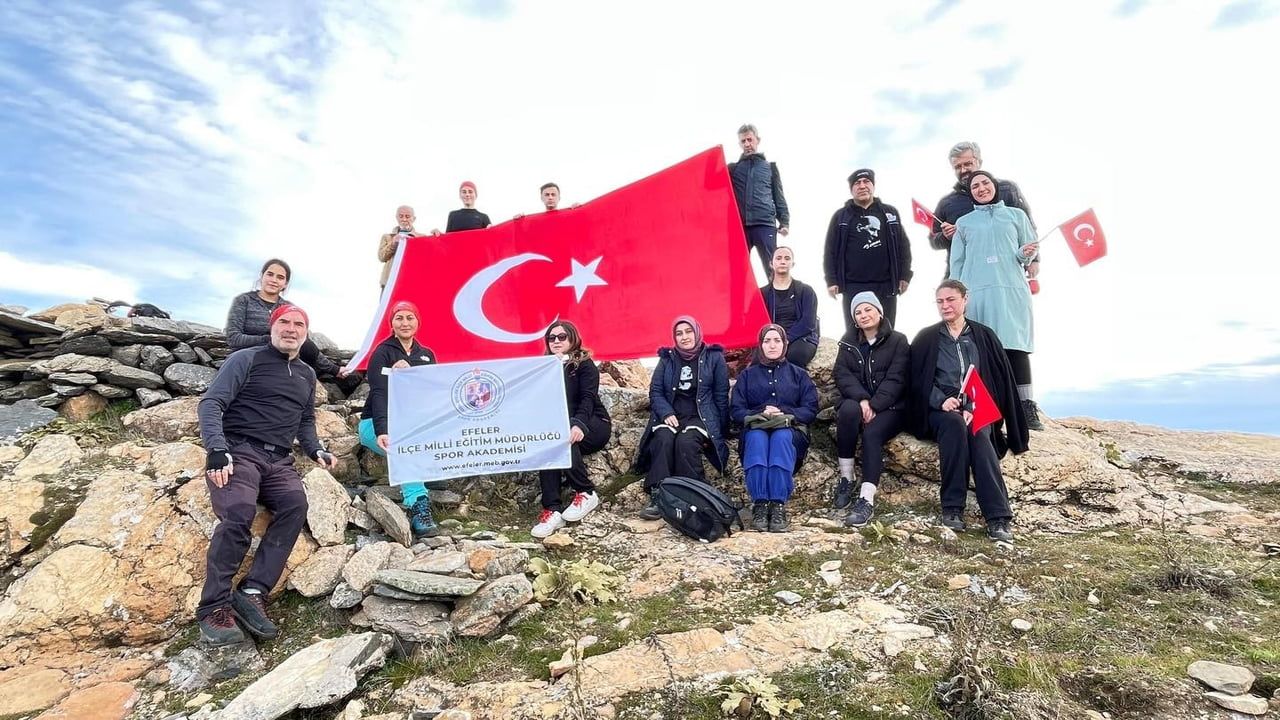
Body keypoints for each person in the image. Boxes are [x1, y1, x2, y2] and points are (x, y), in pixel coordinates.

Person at [195, 304, 338, 645]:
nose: (291, 329)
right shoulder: (246, 359)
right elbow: (211, 403)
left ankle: (253, 589)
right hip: (239, 450)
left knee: (294, 505)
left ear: (306, 333)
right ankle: (213, 608)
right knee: (238, 512)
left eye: (299, 324)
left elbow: (305, 420)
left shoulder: (306, 373)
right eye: (284, 322)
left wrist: (315, 448)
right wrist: (217, 450)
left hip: (279, 460)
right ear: (272, 327)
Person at [906, 280, 1029, 542]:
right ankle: (952, 508)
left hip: (977, 405)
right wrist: (940, 399)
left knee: (979, 436)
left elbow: (998, 379)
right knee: (954, 425)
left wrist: (973, 406)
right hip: (940, 409)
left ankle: (998, 517)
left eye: (950, 300)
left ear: (965, 299)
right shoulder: (927, 337)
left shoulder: (984, 336)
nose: (945, 306)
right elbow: (915, 379)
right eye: (940, 301)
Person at [950, 170, 1043, 430]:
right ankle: (981, 407)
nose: (981, 188)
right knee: (981, 350)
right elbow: (956, 262)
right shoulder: (964, 223)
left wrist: (1026, 254)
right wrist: (955, 294)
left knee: (1016, 347)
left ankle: (1026, 407)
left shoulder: (1016, 216)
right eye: (975, 186)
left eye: (985, 183)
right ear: (970, 194)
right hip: (977, 292)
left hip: (1011, 288)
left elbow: (1029, 249)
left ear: (994, 186)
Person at [630, 317, 729, 520]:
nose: (684, 337)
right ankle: (659, 495)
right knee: (664, 439)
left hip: (700, 416)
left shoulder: (714, 357)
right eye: (679, 333)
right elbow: (656, 391)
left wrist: (723, 429)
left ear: (697, 332)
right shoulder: (667, 358)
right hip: (672, 415)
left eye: (688, 331)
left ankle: (691, 495)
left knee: (686, 442)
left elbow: (721, 395)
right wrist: (666, 413)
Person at [358, 301, 438, 538]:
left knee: (420, 442)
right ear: (391, 323)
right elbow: (379, 393)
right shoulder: (382, 352)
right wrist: (383, 430)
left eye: (410, 317)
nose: (405, 323)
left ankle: (426, 482)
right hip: (375, 424)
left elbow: (432, 391)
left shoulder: (427, 355)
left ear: (418, 322)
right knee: (406, 449)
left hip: (411, 425)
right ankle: (418, 505)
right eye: (399, 318)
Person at [730, 324, 819, 533]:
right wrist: (761, 411)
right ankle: (760, 503)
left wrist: (785, 412)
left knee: (780, 438)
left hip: (790, 430)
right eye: (767, 341)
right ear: (760, 345)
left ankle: (778, 504)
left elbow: (810, 408)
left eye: (777, 340)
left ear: (785, 344)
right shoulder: (747, 376)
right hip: (755, 429)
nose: (772, 345)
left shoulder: (799, 375)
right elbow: (736, 410)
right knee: (757, 439)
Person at [833, 292, 909, 528]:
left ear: (879, 311)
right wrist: (863, 400)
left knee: (871, 433)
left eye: (867, 309)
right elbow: (842, 374)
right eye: (858, 312)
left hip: (893, 407)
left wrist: (875, 405)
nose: (863, 315)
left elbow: (897, 378)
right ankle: (847, 478)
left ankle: (866, 499)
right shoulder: (848, 341)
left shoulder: (898, 340)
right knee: (847, 411)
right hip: (860, 402)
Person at [532, 321, 612, 538]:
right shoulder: (544, 367)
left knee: (562, 436)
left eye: (562, 337)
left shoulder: (584, 365)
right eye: (552, 338)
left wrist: (579, 424)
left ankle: (586, 491)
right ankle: (552, 510)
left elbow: (588, 399)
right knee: (550, 443)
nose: (556, 341)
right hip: (562, 426)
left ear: (572, 339)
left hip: (593, 422)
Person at [930, 141, 1038, 280]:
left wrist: (1034, 260)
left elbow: (1027, 226)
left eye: (968, 164)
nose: (963, 170)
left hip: (1006, 272)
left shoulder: (1007, 189)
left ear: (979, 162)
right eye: (958, 167)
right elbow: (934, 240)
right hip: (964, 277)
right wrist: (945, 236)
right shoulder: (947, 204)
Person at [823, 168, 914, 331]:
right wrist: (831, 280)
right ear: (851, 189)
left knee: (886, 332)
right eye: (857, 183)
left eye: (866, 181)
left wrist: (905, 275)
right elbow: (830, 250)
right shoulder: (841, 216)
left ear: (873, 186)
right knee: (856, 332)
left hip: (885, 284)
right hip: (853, 285)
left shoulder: (889, 213)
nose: (862, 186)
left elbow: (903, 245)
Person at [224, 259, 339, 376]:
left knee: (307, 348)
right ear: (262, 276)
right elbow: (234, 339)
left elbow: (303, 342)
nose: (274, 280)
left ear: (285, 284)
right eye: (270, 274)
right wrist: (271, 339)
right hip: (247, 358)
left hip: (281, 359)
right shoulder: (244, 301)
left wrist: (336, 370)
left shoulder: (288, 307)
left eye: (280, 277)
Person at [728, 124, 790, 279]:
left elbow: (778, 195)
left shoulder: (769, 168)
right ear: (739, 144)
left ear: (757, 140)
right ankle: (740, 302)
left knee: (773, 269)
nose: (747, 144)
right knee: (737, 270)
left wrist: (784, 221)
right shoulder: (733, 169)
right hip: (741, 226)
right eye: (743, 141)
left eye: (750, 139)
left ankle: (776, 303)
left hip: (765, 225)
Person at [759, 246, 820, 368]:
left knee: (793, 357)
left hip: (801, 337)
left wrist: (785, 339)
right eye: (779, 258)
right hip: (772, 336)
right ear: (771, 263)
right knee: (759, 362)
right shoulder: (762, 293)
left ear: (793, 264)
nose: (782, 261)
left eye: (787, 258)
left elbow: (808, 323)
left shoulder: (806, 290)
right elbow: (758, 321)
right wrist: (774, 339)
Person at [378, 206, 424, 290]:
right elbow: (381, 257)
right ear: (396, 217)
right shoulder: (387, 237)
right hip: (390, 283)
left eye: (407, 216)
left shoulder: (421, 238)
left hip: (411, 282)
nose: (404, 219)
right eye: (401, 216)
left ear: (414, 218)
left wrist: (437, 236)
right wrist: (393, 243)